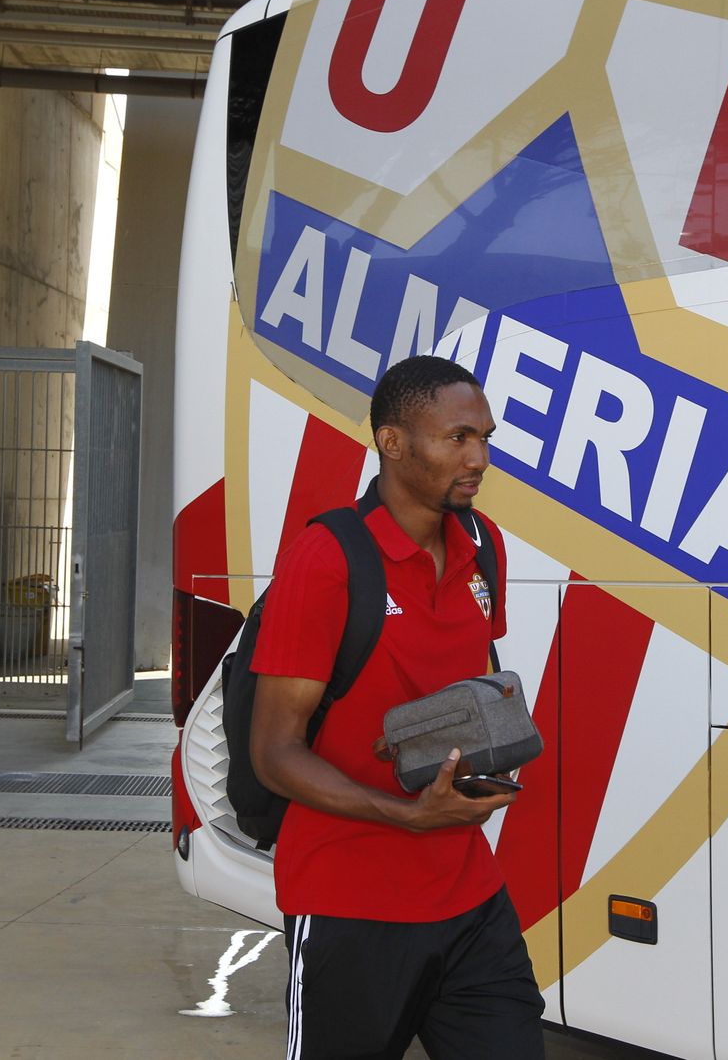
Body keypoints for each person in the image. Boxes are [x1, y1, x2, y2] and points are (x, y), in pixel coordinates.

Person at [249, 354, 546, 1060]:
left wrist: (479, 764)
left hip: (468, 895)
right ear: (392, 441)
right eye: (458, 438)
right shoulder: (327, 558)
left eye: (485, 437)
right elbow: (273, 751)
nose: (479, 457)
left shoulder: (483, 546)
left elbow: (461, 689)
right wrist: (406, 813)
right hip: (350, 902)